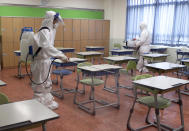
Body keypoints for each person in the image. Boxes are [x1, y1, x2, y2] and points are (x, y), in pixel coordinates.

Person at [31, 11, 68, 110]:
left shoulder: (49, 31)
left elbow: (48, 47)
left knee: (47, 82)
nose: (56, 22)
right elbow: (47, 47)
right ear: (50, 20)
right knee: (40, 83)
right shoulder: (44, 31)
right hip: (40, 62)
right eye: (55, 20)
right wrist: (61, 55)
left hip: (46, 61)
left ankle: (47, 101)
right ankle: (37, 105)